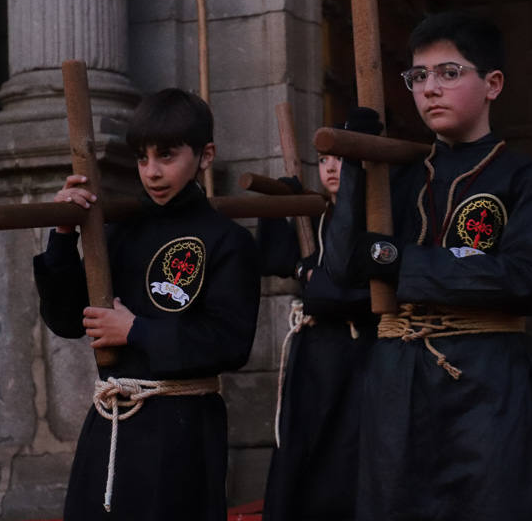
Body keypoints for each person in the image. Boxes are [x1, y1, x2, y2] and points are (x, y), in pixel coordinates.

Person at [324, 11, 532, 521]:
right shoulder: (397, 180)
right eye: (418, 77)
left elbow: (523, 277)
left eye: (448, 72)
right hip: (399, 380)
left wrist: (399, 259)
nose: (429, 89)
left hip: (487, 381)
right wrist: (356, 167)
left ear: (493, 84)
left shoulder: (526, 179)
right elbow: (343, 267)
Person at [33, 88, 260, 520]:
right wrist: (62, 237)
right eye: (142, 158)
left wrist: (135, 330)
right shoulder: (118, 230)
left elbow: (231, 343)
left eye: (166, 156)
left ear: (205, 155)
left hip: (183, 433)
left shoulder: (228, 241)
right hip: (111, 423)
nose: (152, 172)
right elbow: (66, 320)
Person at [258, 151, 376, 521]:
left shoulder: (376, 214)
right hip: (313, 350)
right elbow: (276, 261)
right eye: (323, 158)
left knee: (346, 450)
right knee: (304, 444)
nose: (330, 166)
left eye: (341, 158)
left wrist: (322, 284)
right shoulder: (317, 215)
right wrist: (282, 207)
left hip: (358, 350)